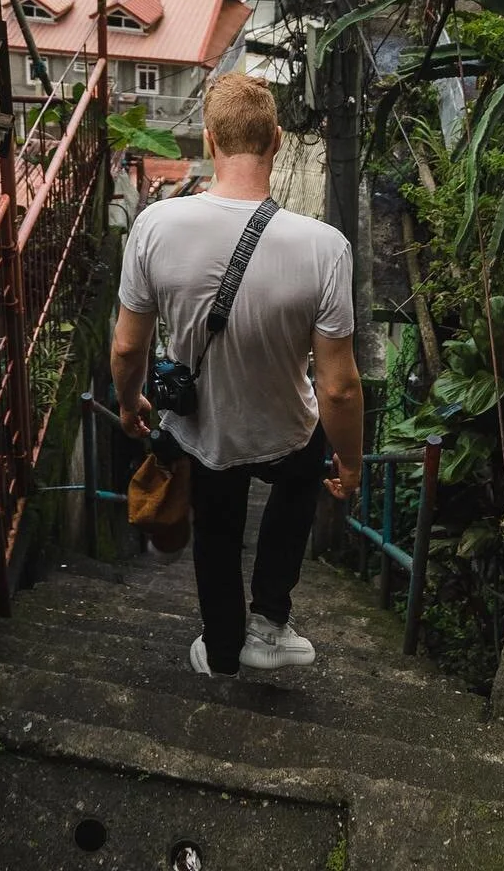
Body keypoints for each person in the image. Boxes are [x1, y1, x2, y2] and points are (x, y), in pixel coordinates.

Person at [111, 73, 364, 679]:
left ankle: (223, 649)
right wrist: (351, 464)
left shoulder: (155, 226)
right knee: (304, 476)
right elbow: (338, 386)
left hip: (206, 432)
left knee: (217, 533)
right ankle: (270, 622)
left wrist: (129, 404)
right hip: (288, 428)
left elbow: (127, 347)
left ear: (209, 139)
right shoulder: (324, 247)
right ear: (276, 141)